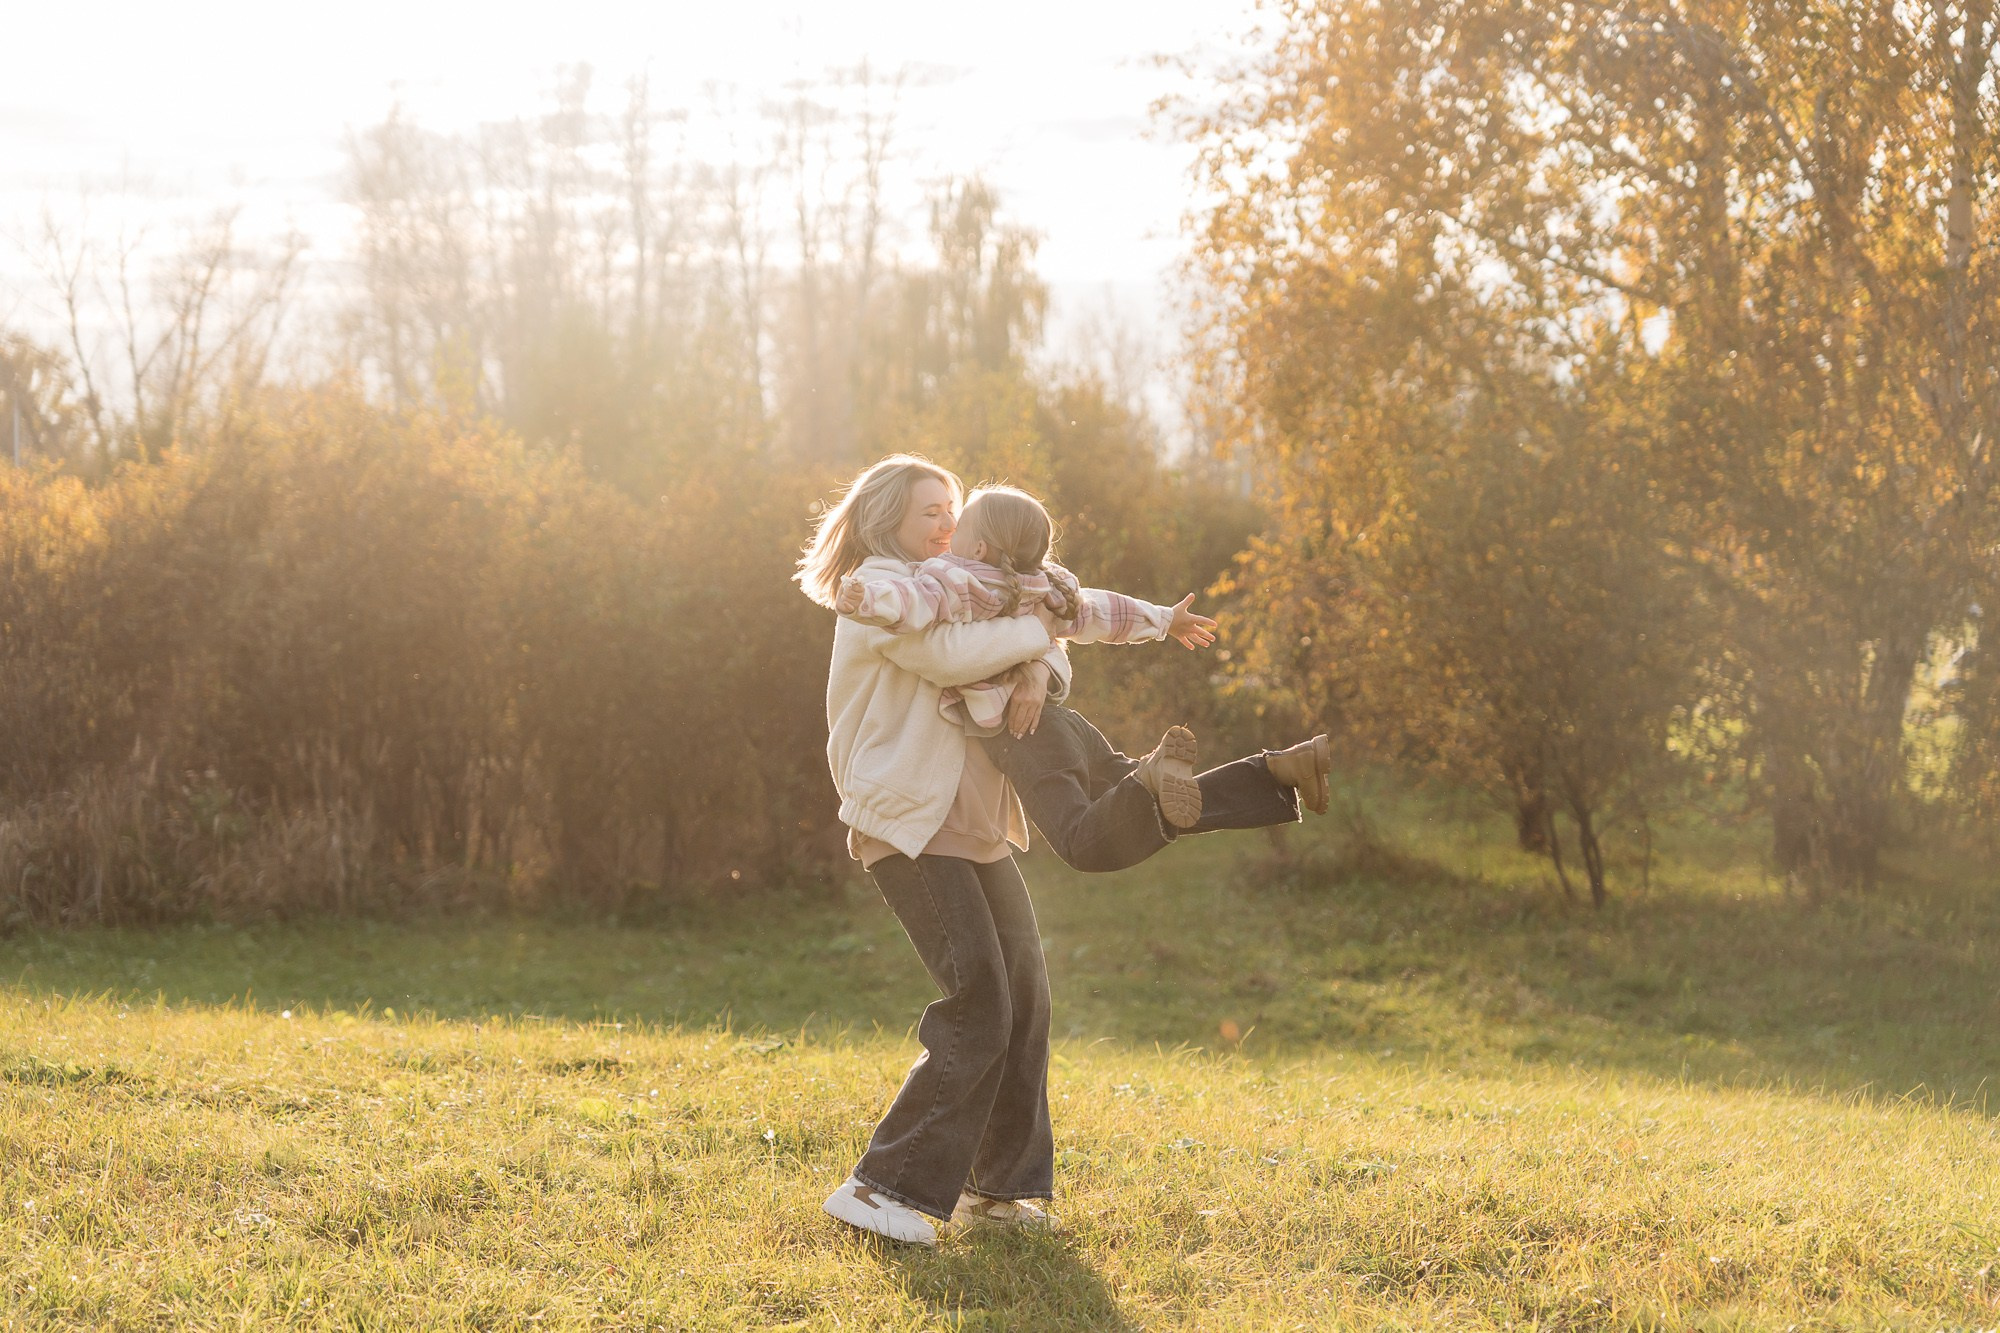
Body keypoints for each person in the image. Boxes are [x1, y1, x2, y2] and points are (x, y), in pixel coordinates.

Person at [796, 455, 1068, 1247]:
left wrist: (1039, 671)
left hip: (975, 822)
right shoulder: (883, 593)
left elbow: (1053, 641)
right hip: (910, 824)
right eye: (930, 512)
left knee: (1025, 992)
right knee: (980, 996)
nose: (949, 525)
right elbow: (951, 658)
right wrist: (1041, 634)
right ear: (888, 521)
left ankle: (1000, 1186)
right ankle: (881, 1185)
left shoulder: (970, 586)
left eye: (953, 509)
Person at [836, 482, 1332, 874]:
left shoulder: (956, 581)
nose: (948, 529)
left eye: (956, 518)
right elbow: (1101, 612)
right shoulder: (1046, 584)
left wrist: (866, 599)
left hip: (1027, 733)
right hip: (1068, 724)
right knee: (1156, 800)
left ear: (979, 545)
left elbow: (914, 605)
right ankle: (1275, 772)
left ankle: (1160, 777)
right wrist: (1162, 619)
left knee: (1083, 842)